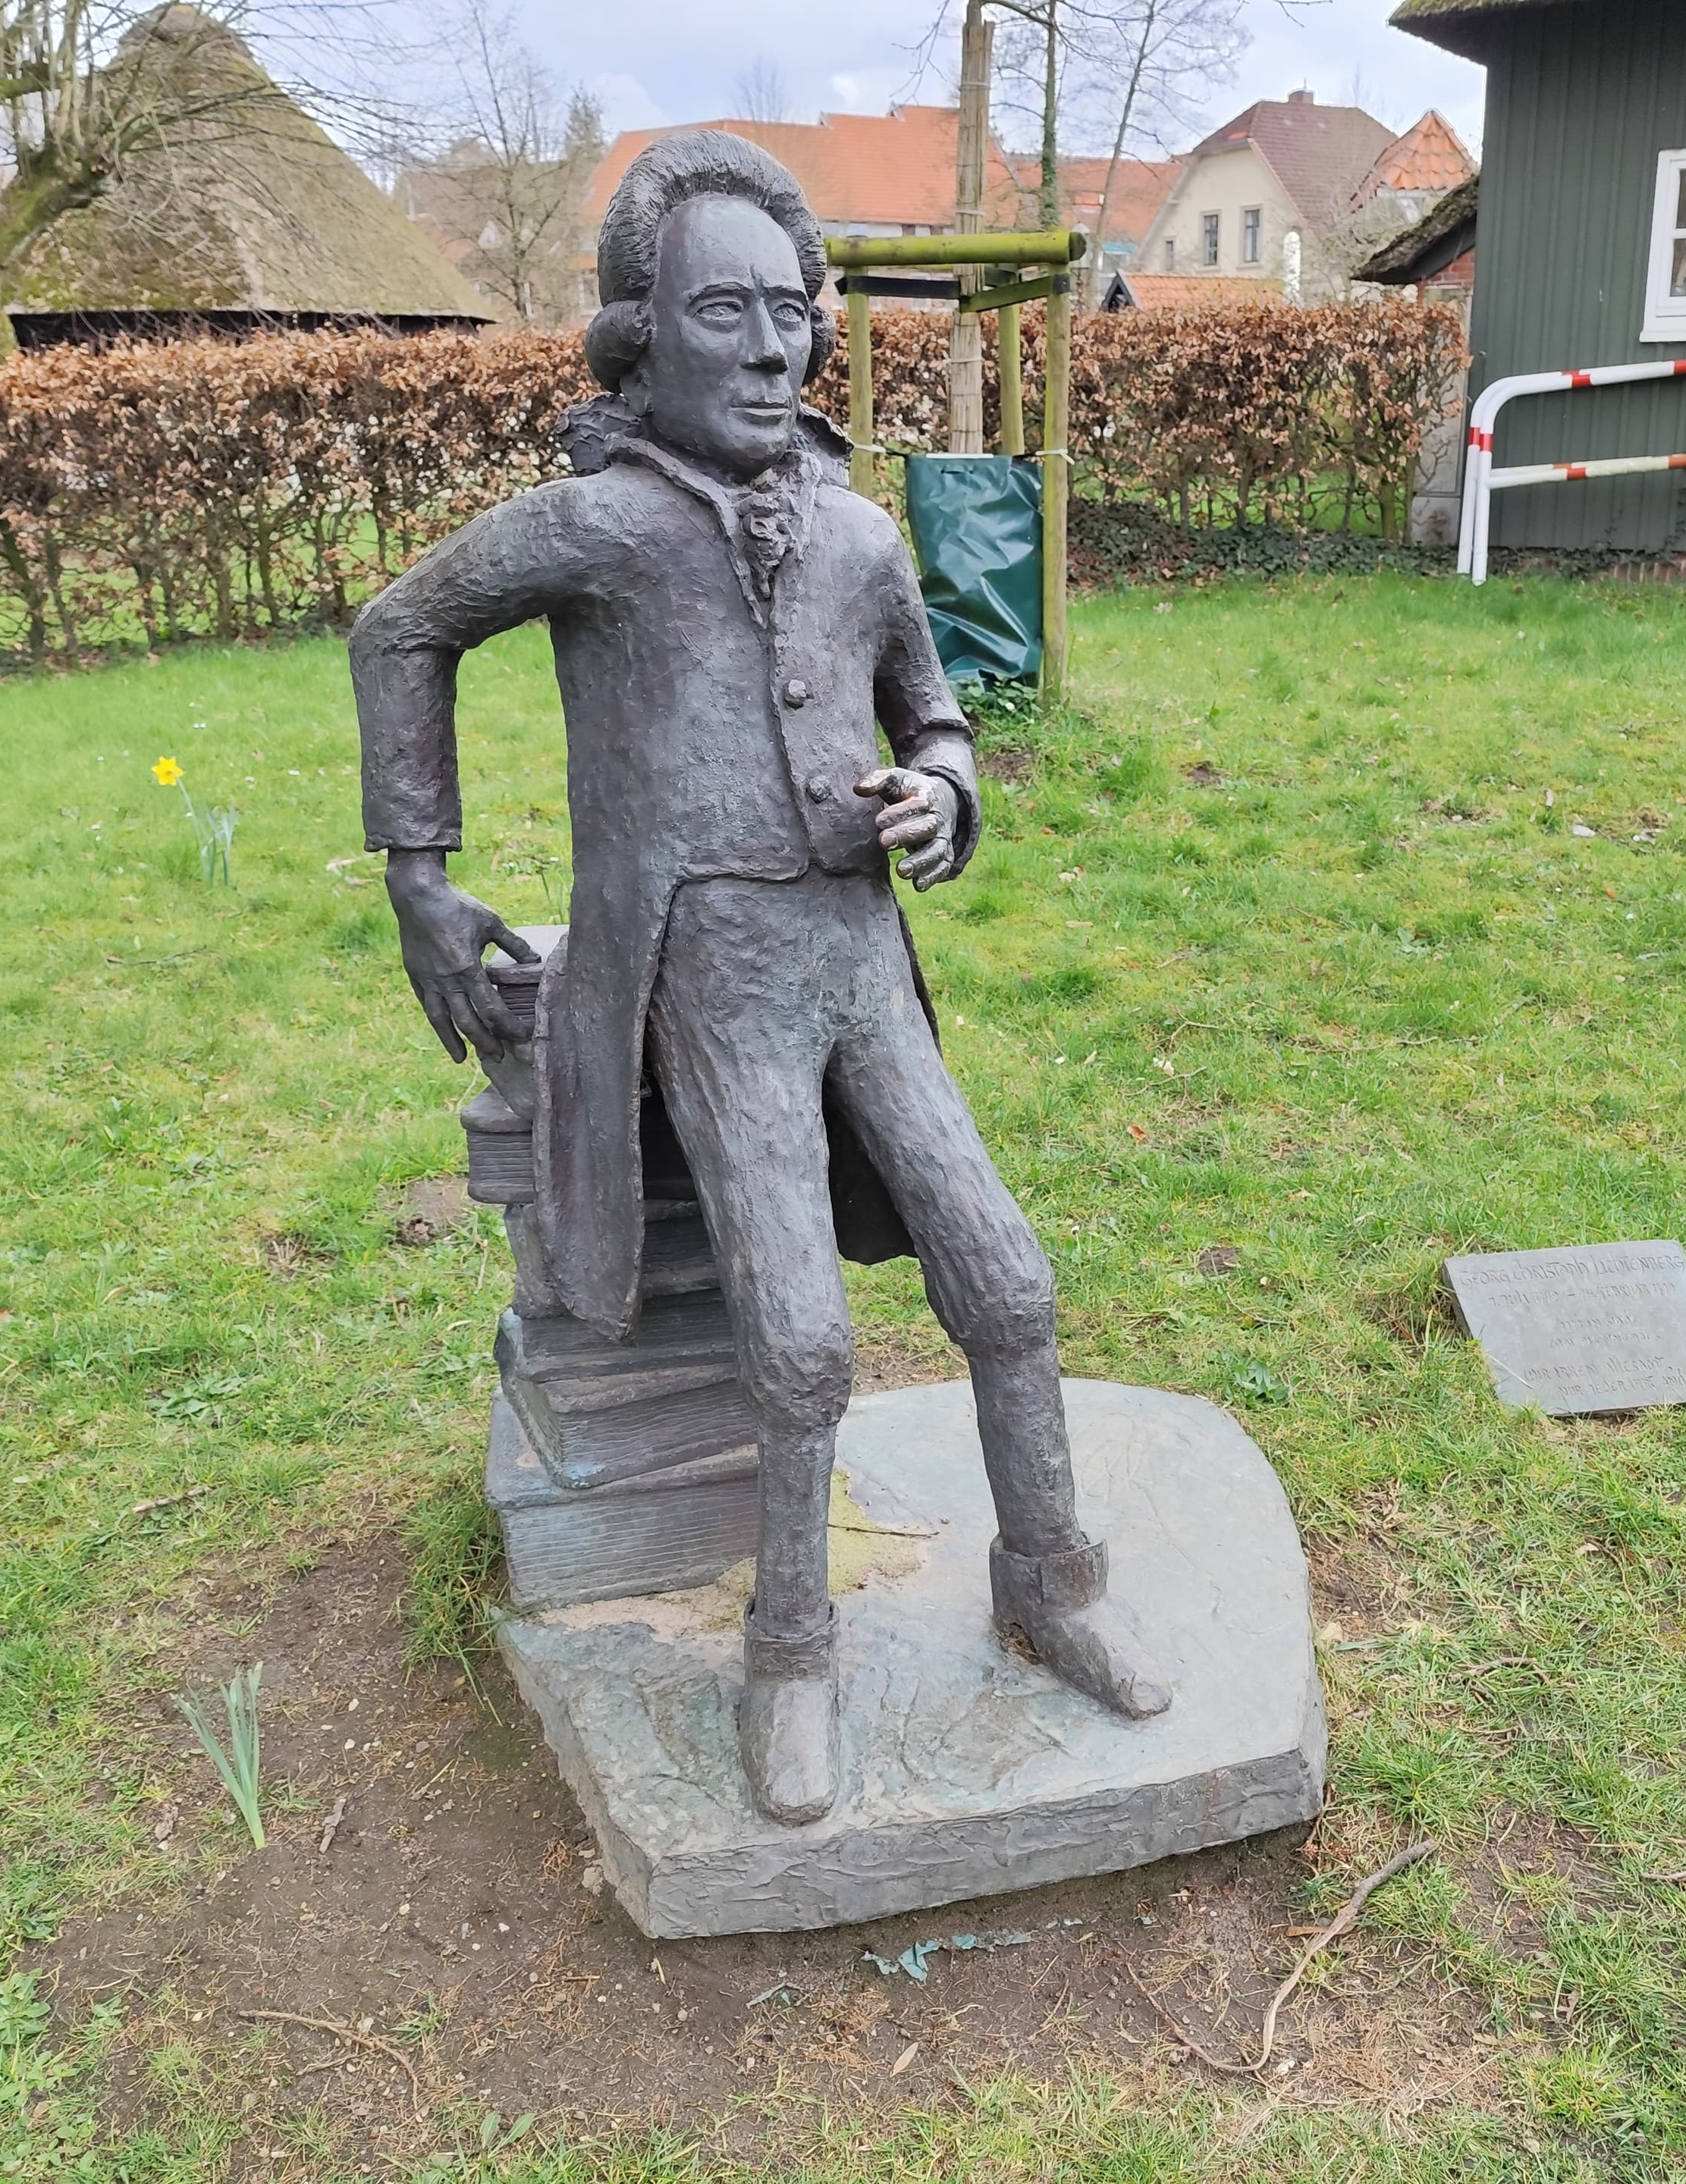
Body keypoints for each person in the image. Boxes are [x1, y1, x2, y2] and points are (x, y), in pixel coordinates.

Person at [349, 133, 1166, 1826]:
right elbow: (399, 627)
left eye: (792, 310)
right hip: (709, 973)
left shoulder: (864, 538)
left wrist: (943, 790)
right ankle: (788, 1650)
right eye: (725, 312)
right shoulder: (597, 529)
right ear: (640, 335)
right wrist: (417, 876)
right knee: (798, 1340)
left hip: (856, 956)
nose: (773, 345)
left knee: (1008, 1282)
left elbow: (935, 714)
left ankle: (1052, 1580)